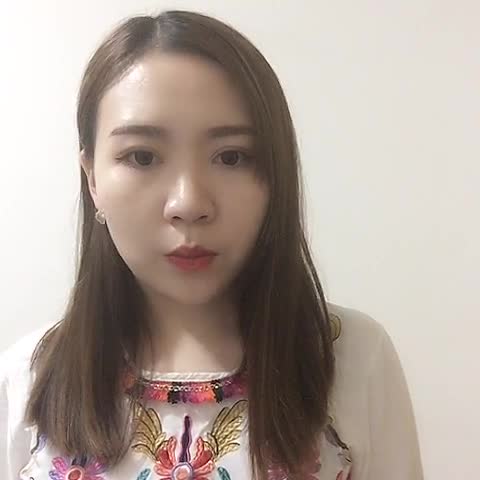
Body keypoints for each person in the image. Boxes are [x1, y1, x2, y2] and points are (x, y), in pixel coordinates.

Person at [0, 9, 424, 480]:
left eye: (232, 157)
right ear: (92, 178)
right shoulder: (27, 377)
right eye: (142, 156)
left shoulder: (352, 357)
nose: (189, 203)